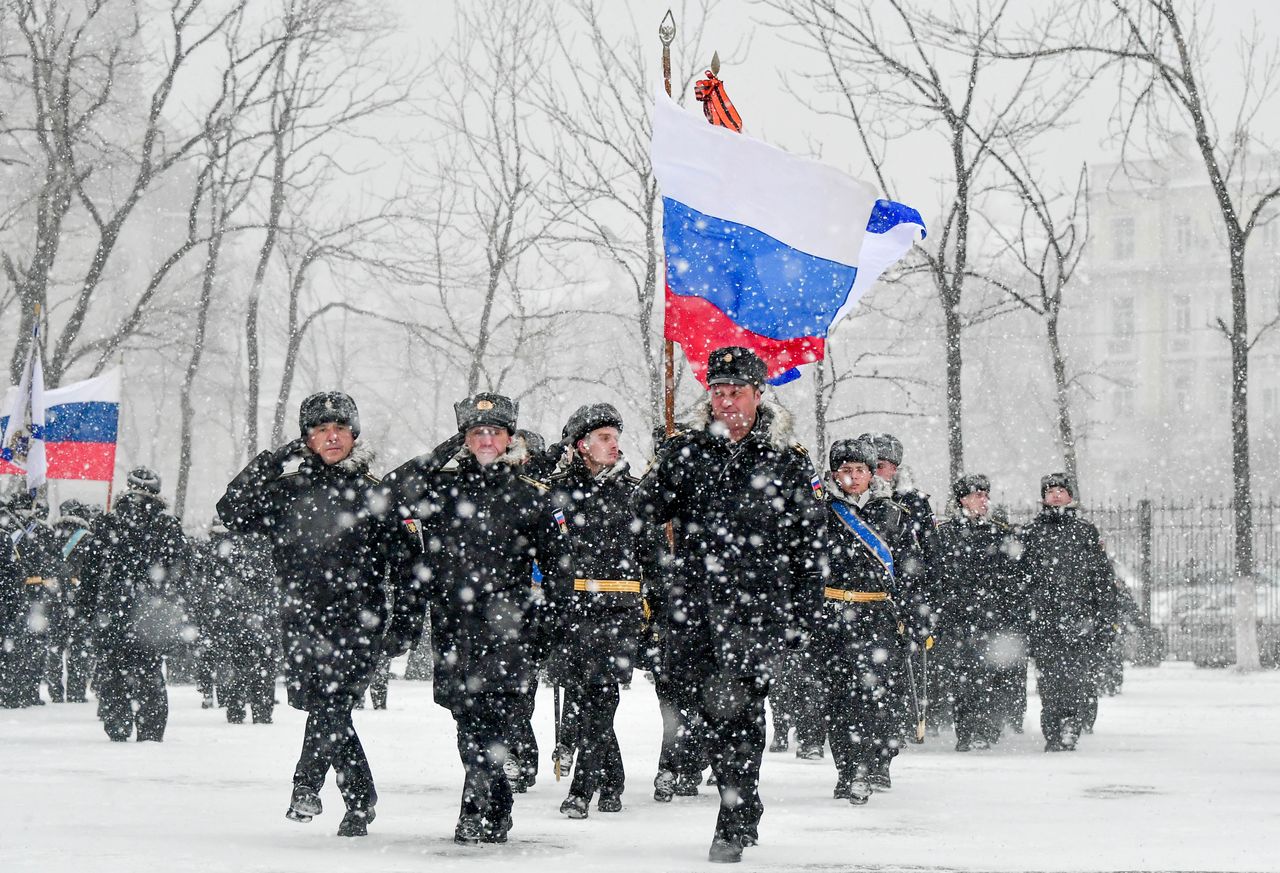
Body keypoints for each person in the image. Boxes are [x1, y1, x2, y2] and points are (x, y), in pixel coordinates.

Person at [634, 347, 823, 863]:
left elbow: (808, 543)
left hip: (756, 608)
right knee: (704, 713)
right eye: (717, 391)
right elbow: (646, 510)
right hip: (693, 608)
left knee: (740, 711)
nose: (725, 401)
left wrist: (805, 614)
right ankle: (743, 797)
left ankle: (733, 816)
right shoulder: (688, 451)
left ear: (758, 394)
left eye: (735, 391)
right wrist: (662, 462)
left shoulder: (784, 460)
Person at [217, 392, 421, 837]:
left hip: (357, 622)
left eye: (341, 429)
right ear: (305, 438)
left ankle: (306, 785)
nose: (332, 437)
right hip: (300, 620)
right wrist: (272, 460)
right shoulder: (286, 492)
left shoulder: (375, 494)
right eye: (320, 430)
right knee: (327, 710)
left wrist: (405, 622)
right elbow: (230, 511)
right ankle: (361, 801)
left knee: (331, 703)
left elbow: (408, 565)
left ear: (354, 435)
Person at [386, 392, 570, 846]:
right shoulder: (442, 489)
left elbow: (560, 570)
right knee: (468, 723)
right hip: (455, 627)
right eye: (476, 432)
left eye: (495, 432)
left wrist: (548, 626)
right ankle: (496, 807)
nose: (486, 440)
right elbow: (390, 491)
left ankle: (475, 809)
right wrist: (446, 449)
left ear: (511, 438)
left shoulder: (532, 497)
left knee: (501, 720)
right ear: (465, 438)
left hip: (510, 629)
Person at [544, 402, 648, 819]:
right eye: (603, 437)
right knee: (586, 700)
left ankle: (581, 789)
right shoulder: (557, 492)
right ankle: (614, 778)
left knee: (602, 697)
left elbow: (655, 558)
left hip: (620, 610)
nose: (613, 444)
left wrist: (660, 614)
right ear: (581, 444)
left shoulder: (636, 493)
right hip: (573, 611)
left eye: (615, 436)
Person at [809, 438, 924, 804]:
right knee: (839, 698)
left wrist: (916, 619)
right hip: (833, 617)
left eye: (860, 470)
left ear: (872, 474)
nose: (853, 477)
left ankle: (876, 761)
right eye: (846, 471)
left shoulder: (894, 515)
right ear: (834, 475)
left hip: (878, 618)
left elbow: (911, 574)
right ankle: (850, 769)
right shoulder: (820, 513)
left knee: (878, 697)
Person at [77, 467, 194, 741]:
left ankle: (117, 724)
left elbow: (91, 573)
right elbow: (182, 573)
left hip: (113, 610)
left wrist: (87, 609)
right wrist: (178, 608)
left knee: (113, 670)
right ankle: (151, 731)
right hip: (152, 613)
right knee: (150, 671)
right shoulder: (168, 526)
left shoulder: (107, 524)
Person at [1018, 473, 1119, 752]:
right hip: (1044, 618)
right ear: (1043, 497)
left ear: (1071, 496)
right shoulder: (1031, 532)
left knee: (1075, 676)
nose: (1056, 495)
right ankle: (1053, 730)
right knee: (1049, 680)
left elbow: (1101, 575)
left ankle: (1071, 724)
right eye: (1051, 491)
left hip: (1078, 616)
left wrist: (1104, 614)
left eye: (1062, 490)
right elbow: (1020, 577)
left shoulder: (1085, 531)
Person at [933, 474, 1025, 752]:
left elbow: (1012, 576)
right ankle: (966, 730)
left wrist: (1006, 612)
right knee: (962, 679)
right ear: (963, 499)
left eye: (986, 496)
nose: (983, 501)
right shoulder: (945, 534)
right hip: (957, 618)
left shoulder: (999, 533)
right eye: (977, 496)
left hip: (991, 618)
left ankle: (985, 729)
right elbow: (938, 576)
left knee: (990, 676)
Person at [50, 500, 96, 703]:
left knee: (55, 646)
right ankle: (76, 691)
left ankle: (55, 691)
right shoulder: (88, 539)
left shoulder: (51, 535)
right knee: (79, 647)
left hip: (54, 595)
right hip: (79, 597)